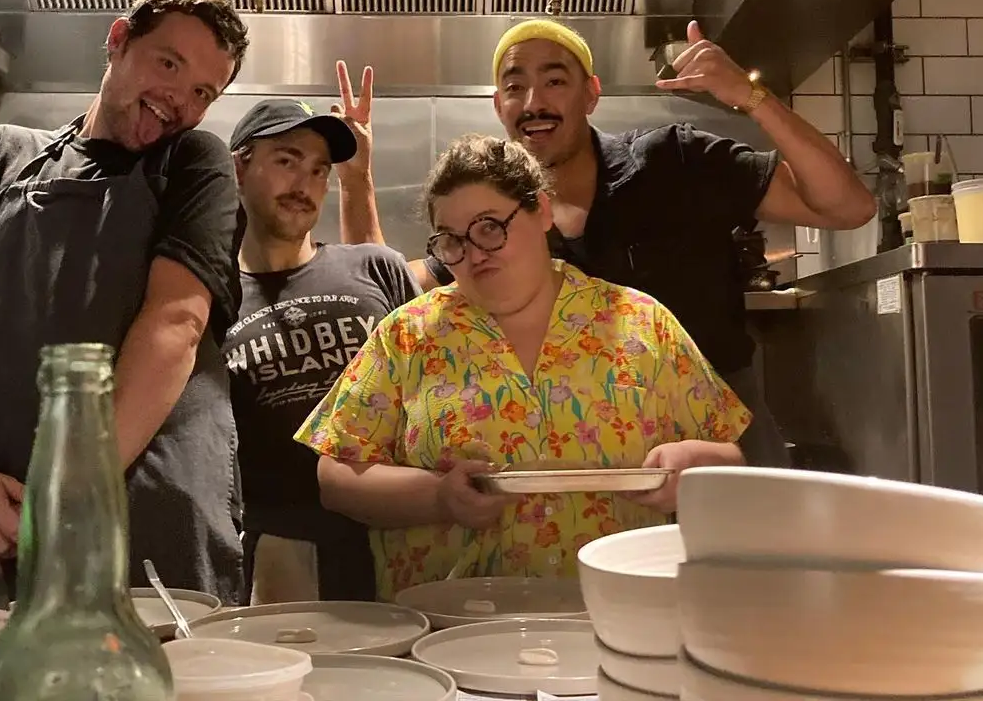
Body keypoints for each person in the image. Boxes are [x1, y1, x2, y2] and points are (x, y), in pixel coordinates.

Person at [294, 134, 751, 600]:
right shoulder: (408, 335)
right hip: (451, 619)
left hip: (615, 612)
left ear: (542, 211)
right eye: (452, 240)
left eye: (489, 227)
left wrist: (692, 470)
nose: (474, 253)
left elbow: (729, 455)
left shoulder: (641, 322)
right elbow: (336, 477)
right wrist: (439, 496)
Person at [410, 19, 877, 468]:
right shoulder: (500, 217)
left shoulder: (676, 161)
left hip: (724, 439)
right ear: (498, 106)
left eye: (554, 81)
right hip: (597, 455)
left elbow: (849, 207)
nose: (534, 103)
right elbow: (412, 281)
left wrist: (751, 97)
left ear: (591, 94)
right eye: (515, 87)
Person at [0, 0, 250, 605]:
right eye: (169, 64)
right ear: (118, 40)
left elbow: (176, 322)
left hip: (143, 509)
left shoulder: (194, 164)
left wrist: (69, 490)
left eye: (202, 93)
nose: (179, 100)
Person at [223, 62, 422, 605]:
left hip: (401, 534)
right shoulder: (210, 296)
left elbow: (432, 386)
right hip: (281, 554)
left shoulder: (376, 267)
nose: (304, 184)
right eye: (286, 161)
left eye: (318, 171)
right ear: (240, 167)